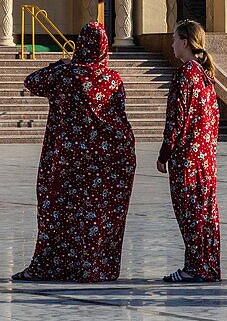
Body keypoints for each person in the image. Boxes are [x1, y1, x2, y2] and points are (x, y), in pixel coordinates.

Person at [13, 21, 136, 283]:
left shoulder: (64, 75)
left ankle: (53, 266)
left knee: (59, 212)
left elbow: (31, 81)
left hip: (65, 161)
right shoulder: (113, 80)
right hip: (103, 163)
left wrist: (61, 64)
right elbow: (118, 119)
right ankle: (95, 268)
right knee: (95, 215)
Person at [156, 19, 221, 283]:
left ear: (184, 42)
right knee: (206, 216)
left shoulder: (185, 75)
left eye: (174, 39)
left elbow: (176, 118)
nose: (172, 44)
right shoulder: (206, 77)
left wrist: (164, 154)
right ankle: (209, 267)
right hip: (205, 160)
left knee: (190, 215)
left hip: (187, 160)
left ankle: (194, 268)